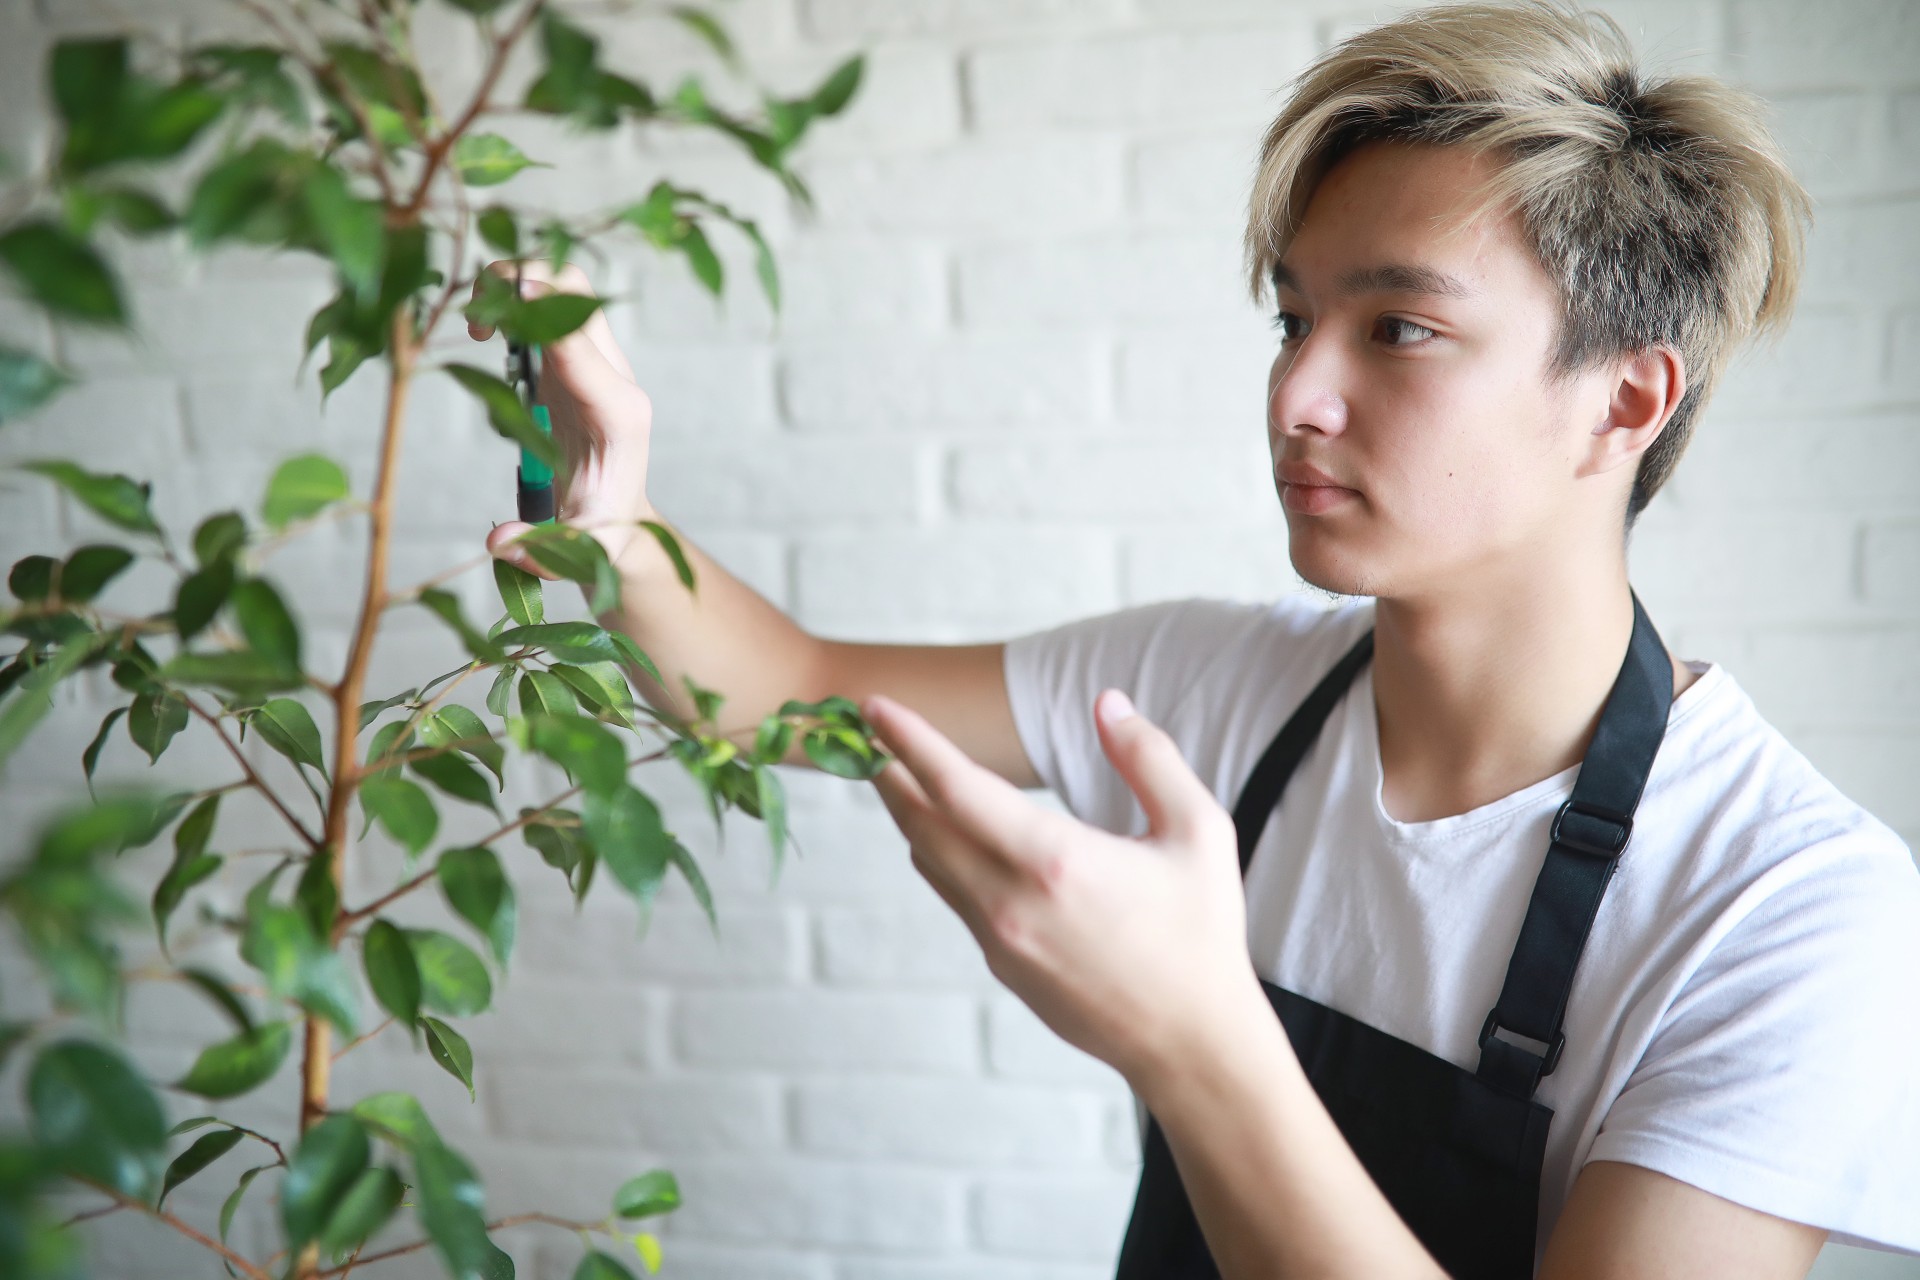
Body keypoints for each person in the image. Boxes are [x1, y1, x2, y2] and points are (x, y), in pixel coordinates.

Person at [466, 2, 1920, 1274]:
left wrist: (1193, 1039)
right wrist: (621, 513)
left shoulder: (1790, 913)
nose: (1297, 395)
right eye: (1292, 321)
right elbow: (775, 696)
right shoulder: (1217, 690)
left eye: (1397, 329)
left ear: (1625, 400)